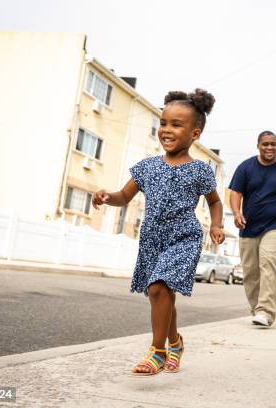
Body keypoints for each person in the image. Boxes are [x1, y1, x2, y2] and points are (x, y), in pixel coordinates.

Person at [92, 88, 224, 376]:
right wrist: (106, 197)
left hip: (184, 238)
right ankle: (175, 342)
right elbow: (123, 196)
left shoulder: (201, 170)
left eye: (176, 124)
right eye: (163, 123)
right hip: (152, 238)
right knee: (161, 295)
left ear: (195, 134)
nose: (166, 129)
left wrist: (216, 224)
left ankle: (158, 352)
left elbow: (214, 201)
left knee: (159, 287)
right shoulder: (147, 167)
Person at [229, 131, 276, 327]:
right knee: (251, 271)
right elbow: (235, 193)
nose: (270, 148)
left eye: (273, 144)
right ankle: (257, 310)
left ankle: (266, 311)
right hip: (249, 226)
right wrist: (236, 213)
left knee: (268, 260)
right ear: (258, 146)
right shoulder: (246, 167)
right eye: (266, 144)